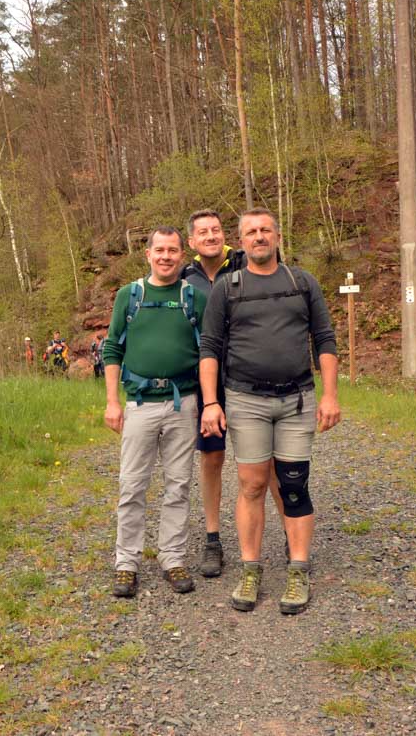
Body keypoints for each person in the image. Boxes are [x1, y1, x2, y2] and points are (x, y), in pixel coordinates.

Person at [199, 208, 340, 615]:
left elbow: (324, 339)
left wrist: (330, 396)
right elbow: (210, 347)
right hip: (246, 400)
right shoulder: (227, 288)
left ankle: (298, 569)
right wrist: (211, 403)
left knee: (294, 485)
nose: (258, 237)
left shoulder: (302, 282)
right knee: (252, 485)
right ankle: (251, 569)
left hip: (296, 400)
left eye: (265, 230)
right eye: (250, 232)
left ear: (277, 236)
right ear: (240, 242)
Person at [102, 226, 207, 597]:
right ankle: (126, 563)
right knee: (132, 485)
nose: (166, 256)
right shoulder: (129, 296)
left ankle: (172, 558)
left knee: (179, 485)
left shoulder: (194, 298)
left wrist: (210, 403)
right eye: (159, 250)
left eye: (172, 250)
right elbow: (112, 348)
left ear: (182, 255)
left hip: (184, 403)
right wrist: (112, 402)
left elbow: (208, 352)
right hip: (139, 403)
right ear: (148, 254)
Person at [180, 209, 246, 579]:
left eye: (216, 230)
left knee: (263, 463)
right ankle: (212, 539)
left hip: (247, 378)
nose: (210, 236)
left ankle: (289, 533)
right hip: (205, 383)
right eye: (203, 232)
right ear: (192, 241)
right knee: (212, 459)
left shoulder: (244, 265)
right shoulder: (183, 277)